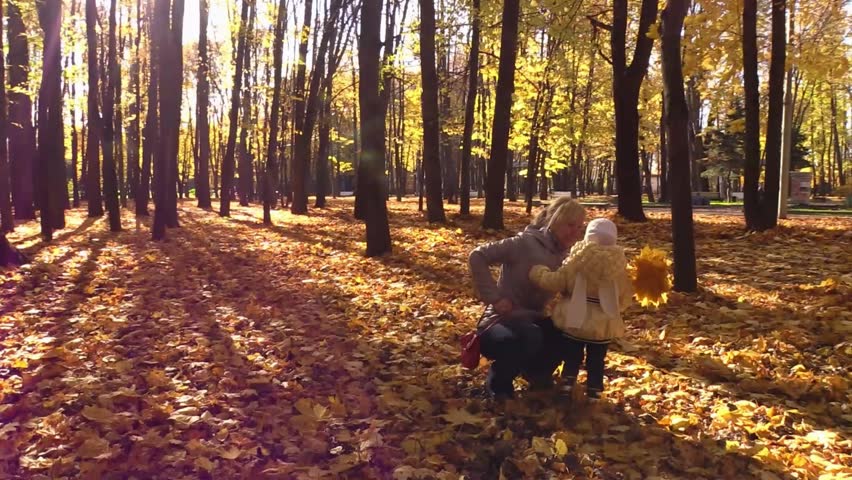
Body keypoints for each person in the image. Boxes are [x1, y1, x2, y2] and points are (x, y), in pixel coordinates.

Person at [468, 197, 586, 400]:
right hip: (499, 323)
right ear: (554, 221)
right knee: (530, 335)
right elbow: (477, 256)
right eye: (570, 225)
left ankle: (537, 374)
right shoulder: (524, 243)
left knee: (570, 333)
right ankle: (498, 385)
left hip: (532, 322)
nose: (575, 232)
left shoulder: (567, 255)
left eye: (579, 226)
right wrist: (494, 299)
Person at [529, 218, 634, 399]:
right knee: (597, 359)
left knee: (572, 355)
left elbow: (557, 281)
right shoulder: (619, 266)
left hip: (575, 319)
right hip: (603, 324)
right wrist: (617, 310)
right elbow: (624, 296)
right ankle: (594, 389)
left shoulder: (577, 259)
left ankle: (568, 383)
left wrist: (538, 273)